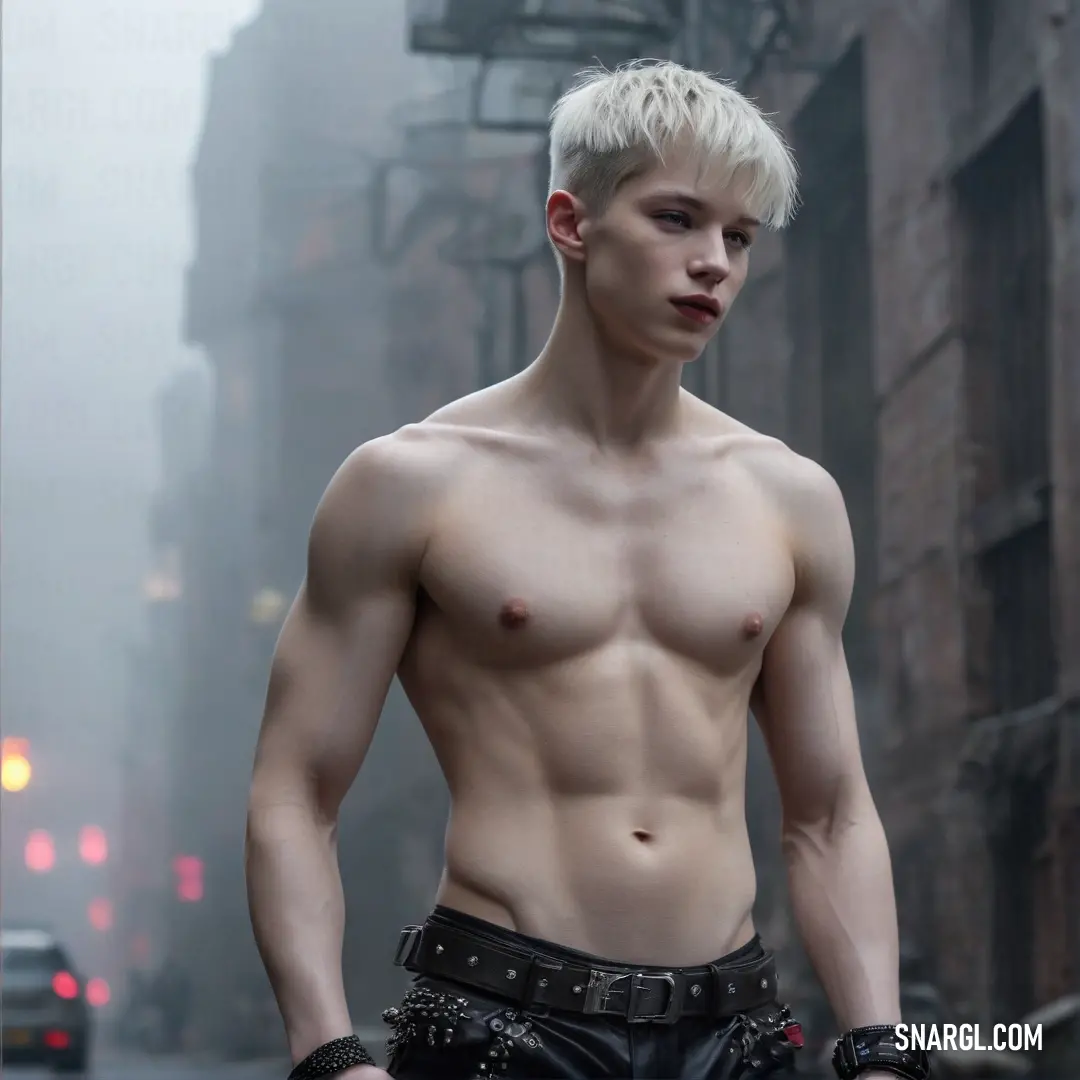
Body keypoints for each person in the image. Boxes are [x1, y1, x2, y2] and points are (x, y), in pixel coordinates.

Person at [245, 61, 930, 1080]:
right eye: (677, 220)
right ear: (572, 223)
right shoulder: (410, 484)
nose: (715, 266)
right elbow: (294, 792)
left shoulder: (789, 498)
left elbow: (829, 815)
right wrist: (329, 1054)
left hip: (735, 1027)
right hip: (499, 1021)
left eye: (738, 238)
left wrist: (884, 1051)